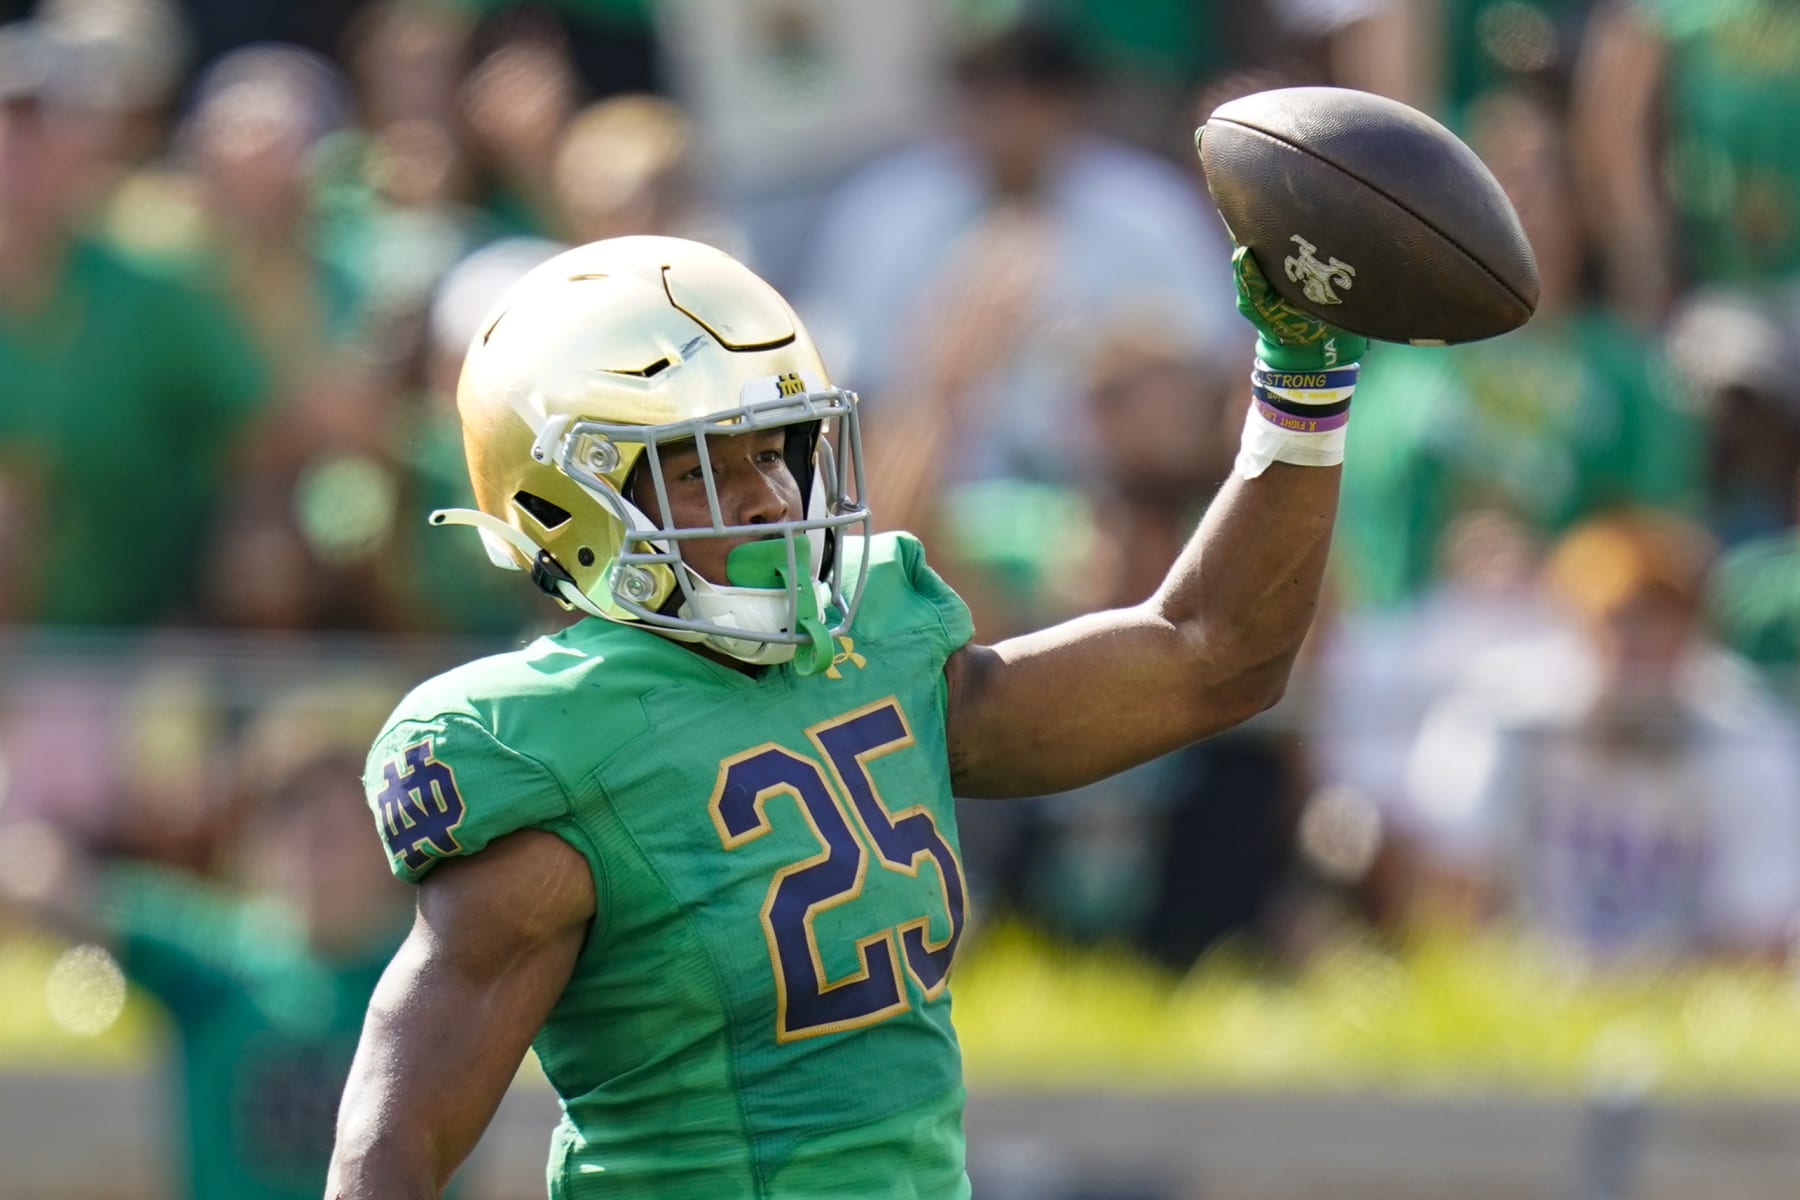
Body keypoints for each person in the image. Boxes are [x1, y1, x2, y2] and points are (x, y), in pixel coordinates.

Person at [326, 232, 1366, 1197]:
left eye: (774, 450)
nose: (773, 496)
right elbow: (398, 1132)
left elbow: (1211, 654)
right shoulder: (553, 743)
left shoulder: (878, 641)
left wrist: (1299, 381)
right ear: (571, 505)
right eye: (704, 471)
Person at [1401, 509, 1800, 960]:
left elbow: (1760, 932)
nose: (1642, 646)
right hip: (1524, 988)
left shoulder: (1746, 735)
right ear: (1575, 620)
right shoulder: (1499, 710)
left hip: (1686, 1000)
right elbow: (1451, 883)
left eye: (1665, 621)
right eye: (1621, 620)